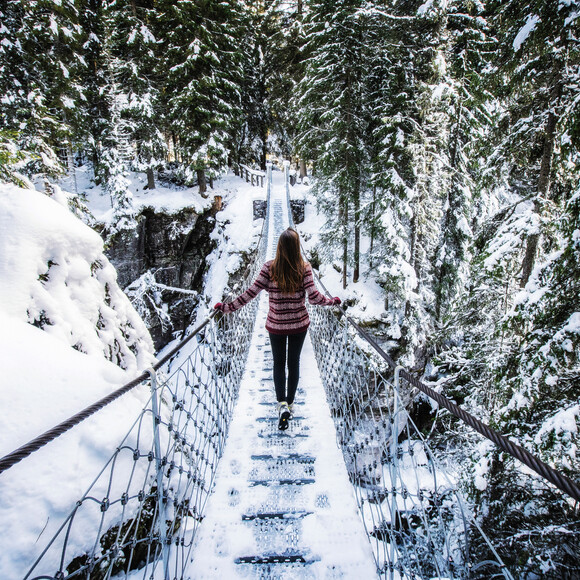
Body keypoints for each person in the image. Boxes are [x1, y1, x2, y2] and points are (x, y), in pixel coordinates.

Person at [214, 227, 340, 430]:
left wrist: (228, 308)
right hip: (299, 324)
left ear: (279, 247)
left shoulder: (269, 268)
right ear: (297, 247)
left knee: (278, 363)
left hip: (276, 324)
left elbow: (251, 292)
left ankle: (281, 404)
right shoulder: (304, 268)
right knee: (294, 363)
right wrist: (332, 302)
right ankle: (290, 403)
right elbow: (315, 297)